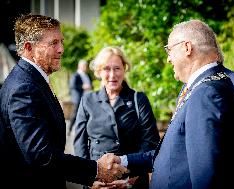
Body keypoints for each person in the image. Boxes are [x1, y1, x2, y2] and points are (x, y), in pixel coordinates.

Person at [101, 19, 234, 189]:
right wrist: (123, 160)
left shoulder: (206, 92)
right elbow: (172, 152)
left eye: (169, 50)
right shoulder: (202, 86)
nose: (168, 59)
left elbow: (206, 176)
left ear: (187, 48)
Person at [0, 14, 126, 189]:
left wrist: (90, 178)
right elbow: (41, 155)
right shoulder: (24, 87)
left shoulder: (31, 80)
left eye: (61, 41)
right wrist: (96, 169)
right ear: (29, 47)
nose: (61, 49)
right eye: (53, 43)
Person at [74, 46, 160, 189]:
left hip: (132, 180)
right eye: (107, 69)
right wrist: (89, 179)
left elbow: (151, 142)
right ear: (99, 72)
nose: (112, 75)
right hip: (97, 182)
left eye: (117, 68)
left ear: (124, 69)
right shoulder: (87, 100)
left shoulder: (139, 99)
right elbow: (80, 145)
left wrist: (129, 180)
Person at [69, 59, 93, 135]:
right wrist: (83, 87)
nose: (85, 67)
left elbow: (90, 85)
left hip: (87, 98)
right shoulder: (75, 75)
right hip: (78, 98)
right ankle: (69, 129)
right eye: (84, 66)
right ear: (79, 66)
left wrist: (90, 86)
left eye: (86, 66)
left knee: (88, 114)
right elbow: (72, 86)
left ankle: (85, 130)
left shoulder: (87, 75)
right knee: (76, 114)